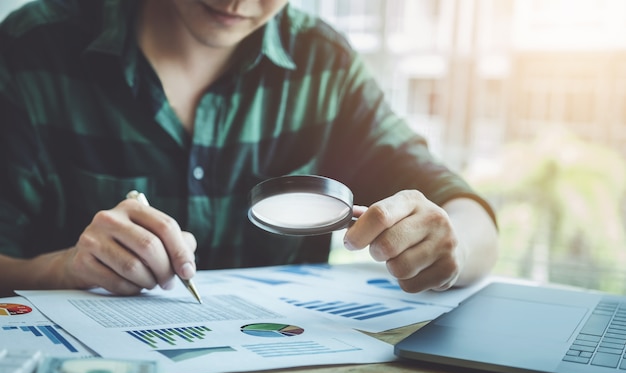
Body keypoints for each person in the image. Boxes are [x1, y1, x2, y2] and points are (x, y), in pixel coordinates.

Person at [0, 0, 498, 297]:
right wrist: (64, 269)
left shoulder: (323, 66)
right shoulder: (31, 50)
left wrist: (450, 247)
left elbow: (468, 219)